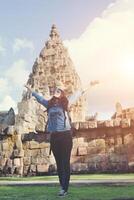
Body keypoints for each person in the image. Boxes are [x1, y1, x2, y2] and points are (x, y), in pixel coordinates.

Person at [25, 82, 90, 197]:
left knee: (65, 163)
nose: (57, 91)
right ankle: (62, 186)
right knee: (59, 164)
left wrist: (88, 86)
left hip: (65, 136)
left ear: (62, 94)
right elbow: (39, 98)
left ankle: (65, 188)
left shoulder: (65, 103)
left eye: (59, 90)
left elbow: (77, 94)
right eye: (56, 90)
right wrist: (30, 90)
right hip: (54, 137)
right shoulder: (48, 104)